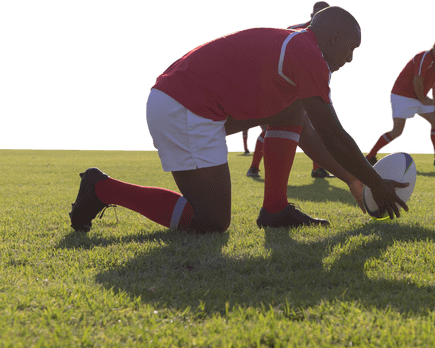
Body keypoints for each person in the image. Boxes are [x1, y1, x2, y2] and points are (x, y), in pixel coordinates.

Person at [69, 6, 407, 234]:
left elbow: (307, 131)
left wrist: (353, 180)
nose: (351, 57)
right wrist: (374, 183)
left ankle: (274, 209)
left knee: (292, 109)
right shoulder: (307, 53)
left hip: (193, 103)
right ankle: (101, 188)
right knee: (212, 221)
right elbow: (331, 134)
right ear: (333, 38)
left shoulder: (299, 41)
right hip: (182, 108)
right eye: (353, 47)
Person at [247, 1, 335, 180]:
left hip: (309, 85)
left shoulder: (328, 38)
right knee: (273, 126)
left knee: (315, 125)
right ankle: (254, 167)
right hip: (285, 85)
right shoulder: (295, 31)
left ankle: (318, 169)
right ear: (312, 17)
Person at [365, 36, 435, 167]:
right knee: (397, 131)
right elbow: (417, 80)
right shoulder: (424, 57)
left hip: (419, 97)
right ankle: (370, 157)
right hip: (403, 95)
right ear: (434, 46)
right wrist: (423, 99)